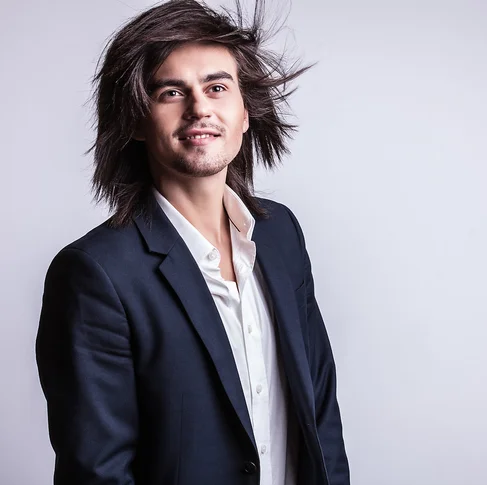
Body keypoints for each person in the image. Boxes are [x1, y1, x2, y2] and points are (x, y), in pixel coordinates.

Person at [35, 1, 350, 484]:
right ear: (137, 122)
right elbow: (97, 472)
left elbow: (320, 411)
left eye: (217, 87)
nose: (199, 107)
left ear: (246, 113)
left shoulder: (281, 234)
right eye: (171, 92)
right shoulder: (95, 273)